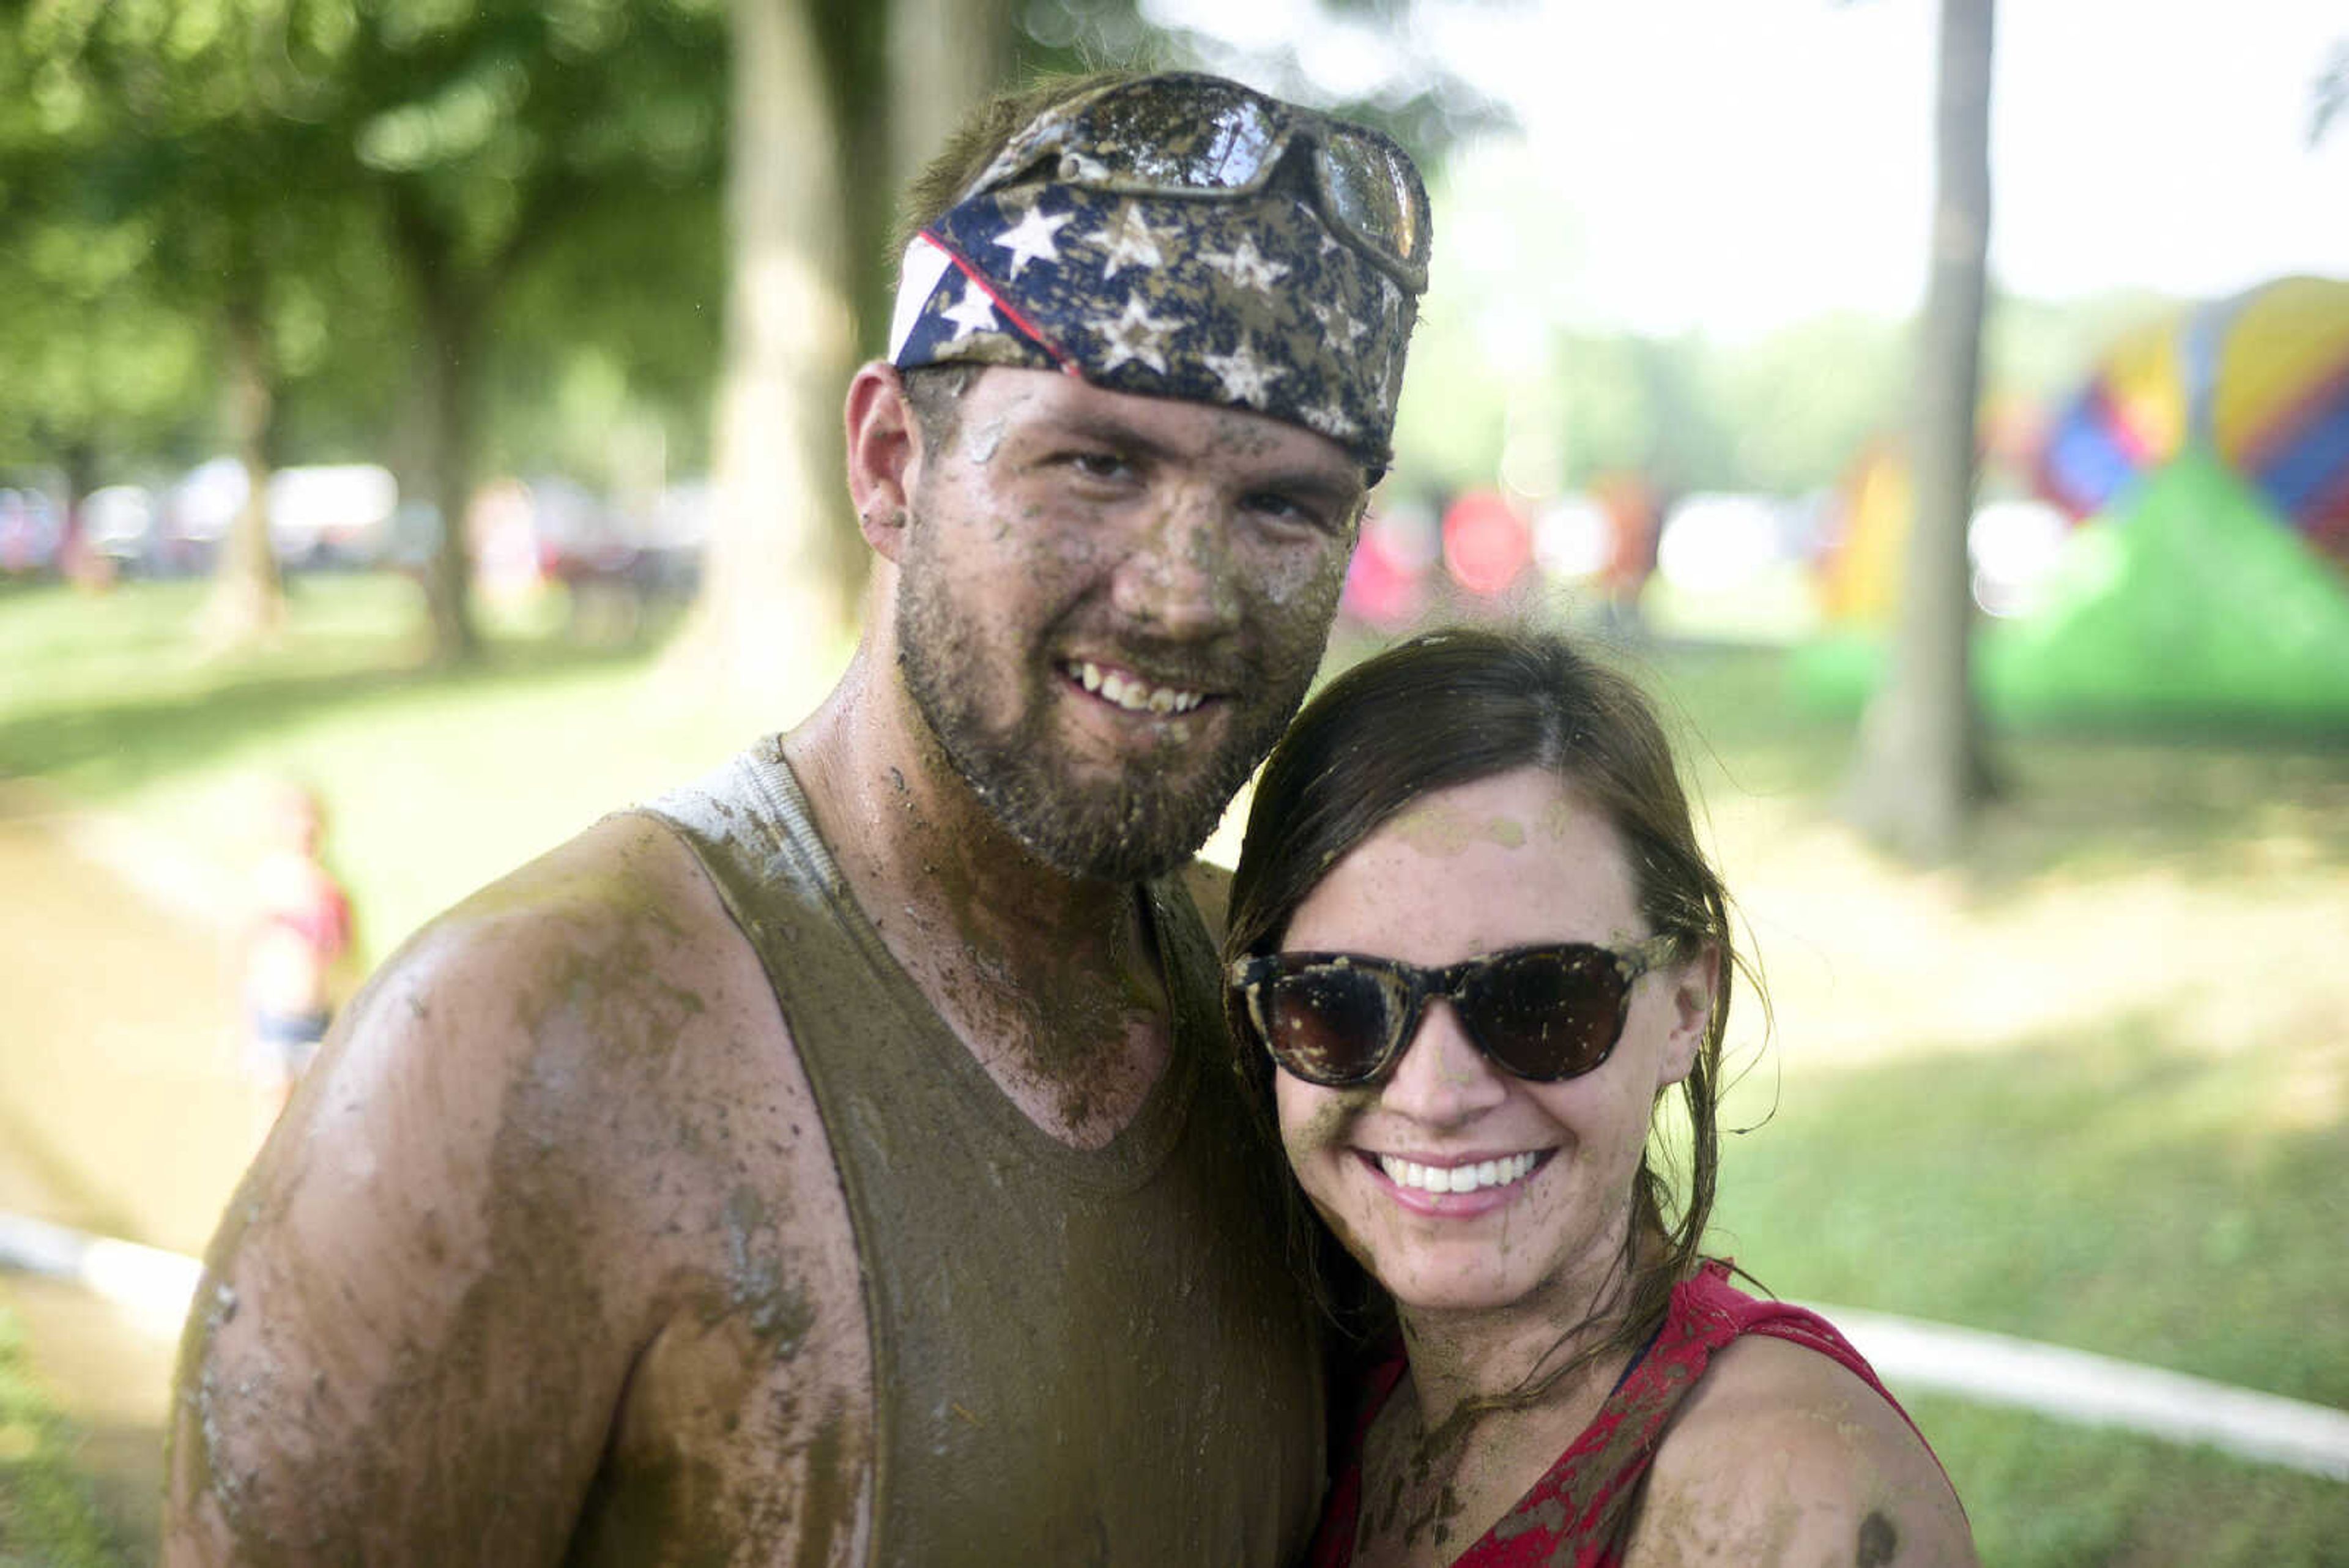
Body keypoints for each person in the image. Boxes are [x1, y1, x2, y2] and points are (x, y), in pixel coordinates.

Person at [165, 70, 1430, 1566]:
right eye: (1096, 464)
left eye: (1280, 505)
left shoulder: (1300, 1039)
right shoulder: (527, 1050)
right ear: (891, 463)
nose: (1180, 596)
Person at [1223, 628, 1977, 1566]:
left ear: (1686, 1005)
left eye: (1543, 997)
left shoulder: (1785, 1499)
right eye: (1335, 1002)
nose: (1437, 1091)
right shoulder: (1327, 1409)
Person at [235, 779, 357, 1129]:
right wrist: (243, 1025)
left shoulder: (333, 890)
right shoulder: (268, 882)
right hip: (275, 1019)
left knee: (313, 1121)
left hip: (319, 1019)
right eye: (298, 820)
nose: (306, 829)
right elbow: (243, 949)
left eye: (313, 820)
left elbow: (349, 957)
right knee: (273, 1121)